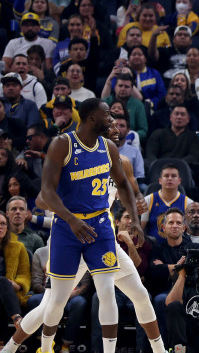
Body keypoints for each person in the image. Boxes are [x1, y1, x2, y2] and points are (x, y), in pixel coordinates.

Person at [37, 98, 138, 353]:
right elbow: (47, 191)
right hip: (67, 226)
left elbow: (123, 184)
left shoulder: (109, 147)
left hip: (100, 224)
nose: (112, 118)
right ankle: (46, 348)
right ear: (92, 117)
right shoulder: (62, 144)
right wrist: (71, 219)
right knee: (58, 299)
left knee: (106, 291)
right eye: (107, 114)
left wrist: (135, 218)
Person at [140, 164, 193, 241]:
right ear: (160, 181)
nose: (170, 178)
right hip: (153, 246)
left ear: (179, 181)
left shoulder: (188, 203)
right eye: (166, 176)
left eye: (173, 176)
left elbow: (191, 233)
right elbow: (140, 229)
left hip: (179, 246)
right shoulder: (148, 200)